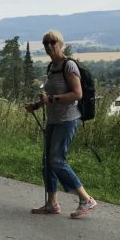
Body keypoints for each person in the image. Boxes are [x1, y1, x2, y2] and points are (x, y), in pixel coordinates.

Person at [24, 30, 98, 218]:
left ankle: (85, 199)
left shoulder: (69, 66)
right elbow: (49, 97)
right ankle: (51, 204)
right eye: (45, 43)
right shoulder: (51, 67)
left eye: (53, 42)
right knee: (47, 163)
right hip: (54, 120)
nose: (49, 46)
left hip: (68, 119)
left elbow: (77, 94)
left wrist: (53, 99)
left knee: (57, 160)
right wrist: (36, 105)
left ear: (61, 44)